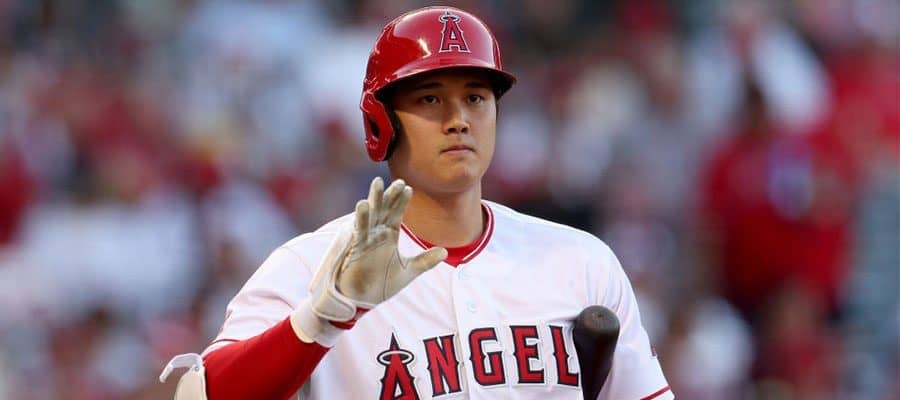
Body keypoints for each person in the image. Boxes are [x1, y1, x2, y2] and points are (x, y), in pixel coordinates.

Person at [160, 6, 672, 399]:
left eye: (476, 97)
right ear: (380, 122)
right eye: (430, 98)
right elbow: (201, 395)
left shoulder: (580, 262)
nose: (459, 119)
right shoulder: (312, 266)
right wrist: (323, 317)